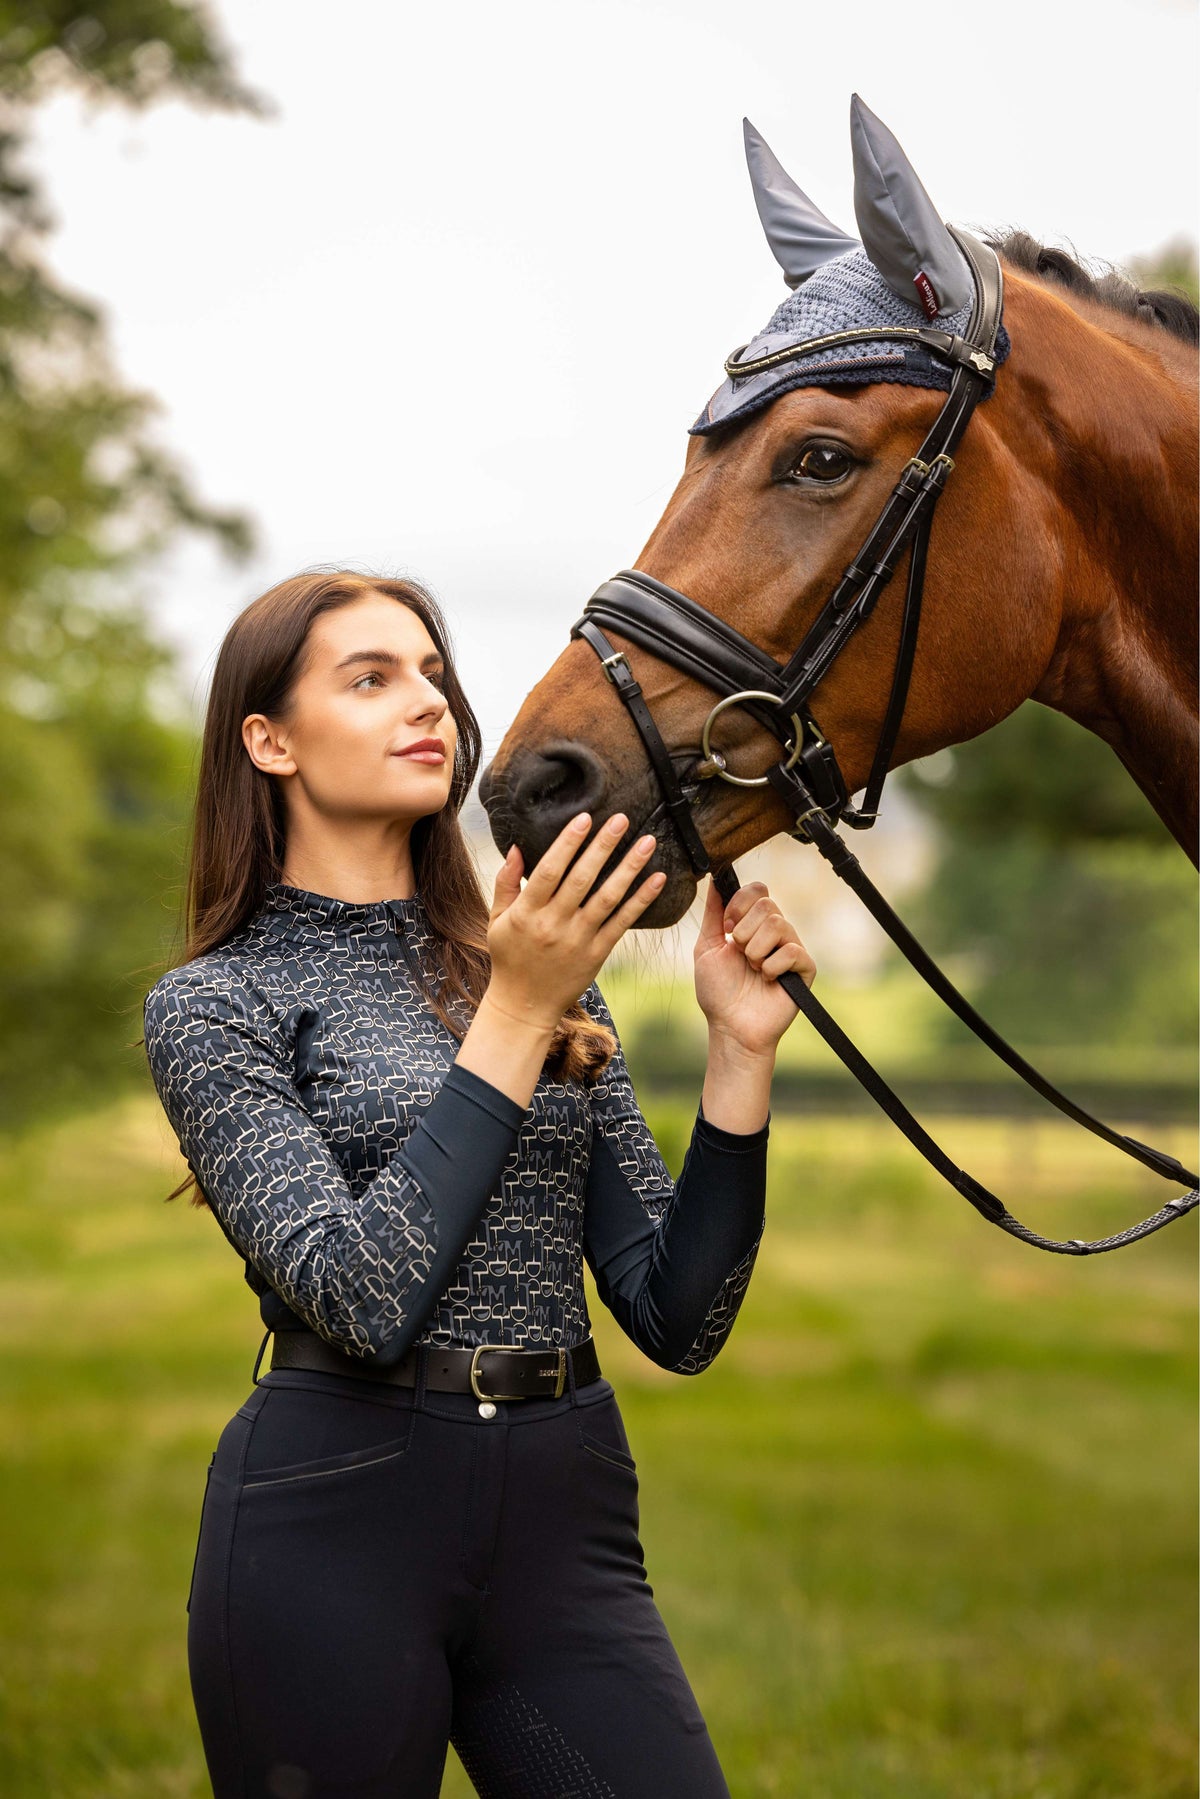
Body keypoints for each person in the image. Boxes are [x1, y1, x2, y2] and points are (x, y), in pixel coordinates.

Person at [142, 568, 816, 1799]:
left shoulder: (537, 976)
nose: (430, 702)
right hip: (334, 1513)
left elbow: (680, 1315)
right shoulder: (213, 1005)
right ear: (269, 739)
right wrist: (515, 1006)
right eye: (372, 676)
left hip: (568, 1508)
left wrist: (739, 1051)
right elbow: (358, 1296)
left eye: (433, 673)